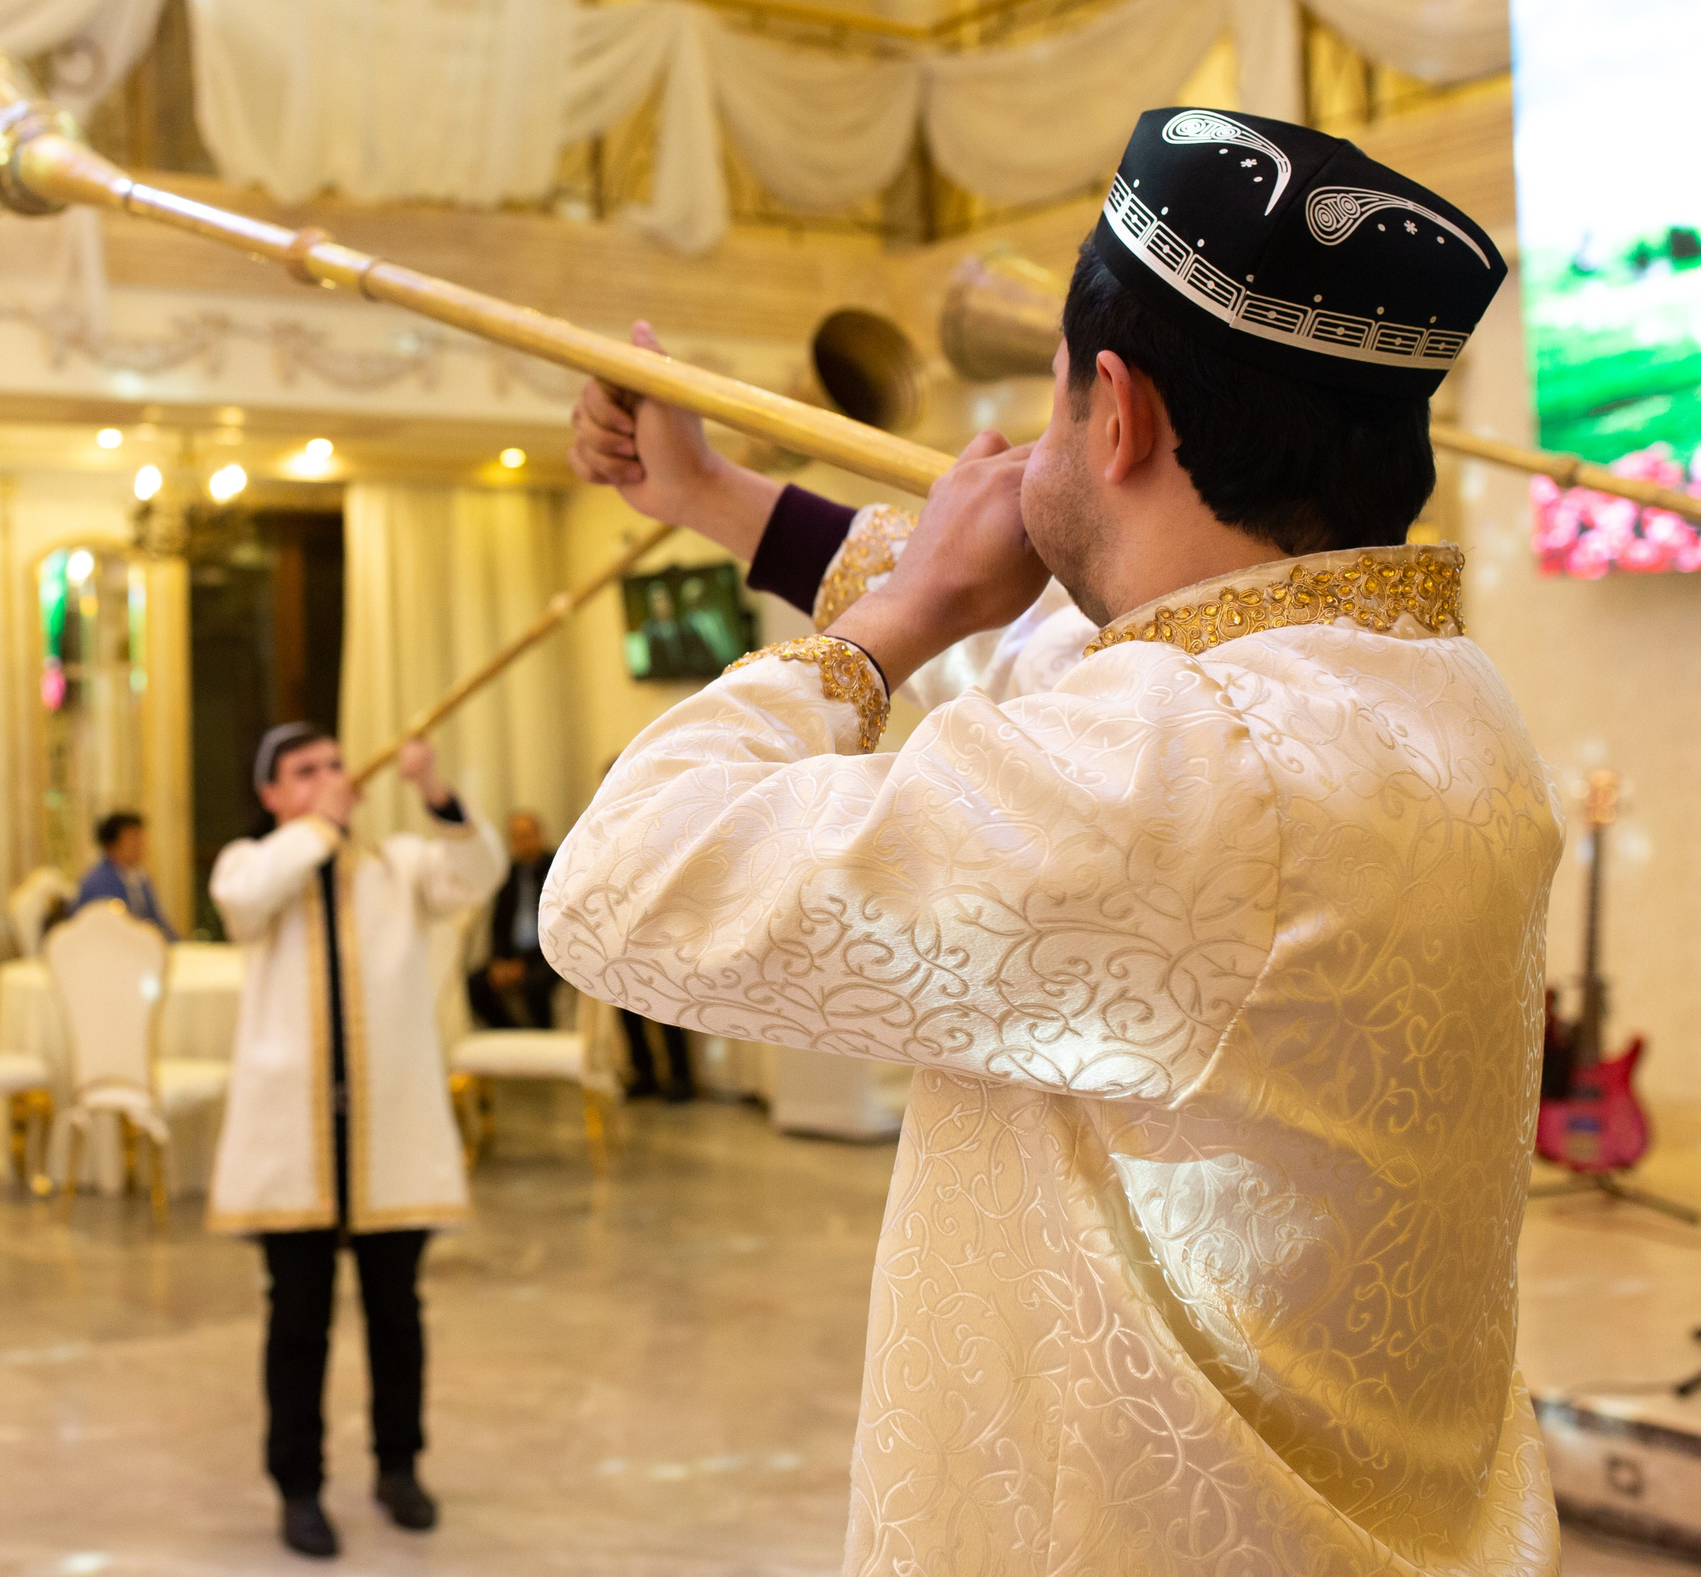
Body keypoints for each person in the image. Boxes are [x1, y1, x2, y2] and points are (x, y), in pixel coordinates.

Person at [546, 109, 1564, 1574]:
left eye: (1047, 399)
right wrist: (714, 498)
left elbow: (622, 885)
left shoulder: (1183, 764)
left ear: (1119, 407)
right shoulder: (1442, 700)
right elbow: (1027, 679)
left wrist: (882, 627)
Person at [206, 724, 505, 1560]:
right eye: (305, 773)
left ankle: (399, 1466)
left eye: (336, 765)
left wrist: (436, 793)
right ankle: (297, 1485)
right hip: (293, 1143)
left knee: (396, 1314)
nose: (330, 779)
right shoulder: (251, 861)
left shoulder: (398, 864)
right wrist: (317, 828)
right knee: (297, 1321)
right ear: (273, 796)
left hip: (387, 1134)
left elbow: (476, 872)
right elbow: (243, 901)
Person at [464, 810, 560, 1029]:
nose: (522, 842)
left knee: (535, 986)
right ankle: (510, 1034)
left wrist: (523, 965)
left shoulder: (556, 869)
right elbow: (498, 925)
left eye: (527, 835)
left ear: (539, 835)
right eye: (516, 837)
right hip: (511, 956)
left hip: (547, 957)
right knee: (475, 983)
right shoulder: (507, 874)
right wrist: (498, 961)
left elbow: (558, 927)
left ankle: (545, 1042)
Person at [73, 809, 178, 940]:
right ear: (111, 845)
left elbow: (157, 921)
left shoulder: (140, 878)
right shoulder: (99, 882)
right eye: (133, 839)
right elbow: (113, 932)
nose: (140, 845)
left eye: (141, 838)